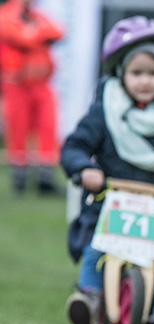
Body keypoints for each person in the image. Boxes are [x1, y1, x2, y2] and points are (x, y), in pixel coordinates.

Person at [60, 16, 154, 324]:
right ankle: (91, 299)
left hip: (152, 204)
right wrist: (84, 170)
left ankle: (147, 311)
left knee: (151, 254)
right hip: (108, 199)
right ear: (121, 72)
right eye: (137, 73)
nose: (145, 82)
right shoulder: (105, 109)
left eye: (153, 74)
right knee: (98, 247)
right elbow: (74, 146)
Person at [0, 0, 64, 195]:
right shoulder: (8, 12)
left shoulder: (36, 14)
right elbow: (19, 36)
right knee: (18, 129)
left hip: (42, 82)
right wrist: (37, 35)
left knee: (48, 127)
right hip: (17, 83)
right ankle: (20, 180)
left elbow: (58, 31)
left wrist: (34, 32)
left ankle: (46, 179)